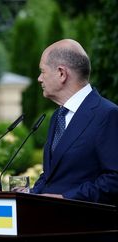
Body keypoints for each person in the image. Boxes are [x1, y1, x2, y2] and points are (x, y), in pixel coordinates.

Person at [31, 39, 118, 205]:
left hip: (87, 226)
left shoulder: (108, 114)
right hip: (51, 223)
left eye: (43, 71)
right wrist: (31, 194)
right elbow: (52, 175)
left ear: (62, 73)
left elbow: (114, 178)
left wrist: (67, 199)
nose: (39, 79)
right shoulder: (58, 116)